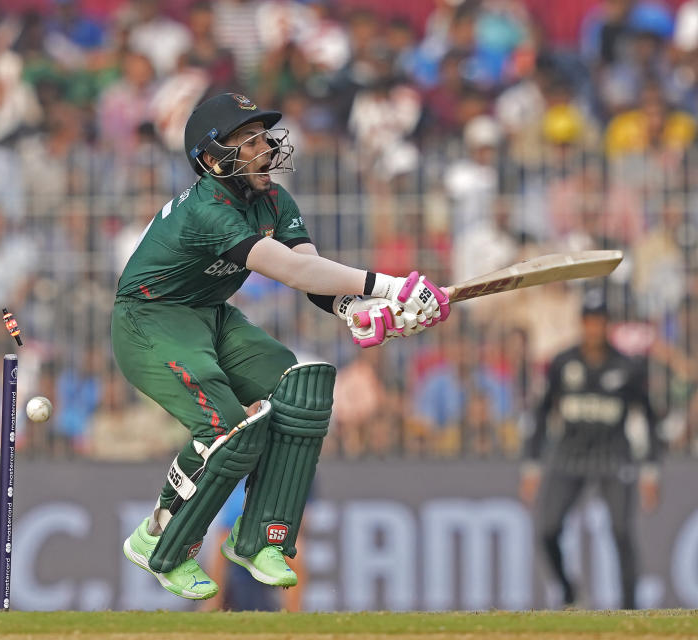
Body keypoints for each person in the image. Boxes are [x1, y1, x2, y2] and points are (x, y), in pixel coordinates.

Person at [112, 92, 450, 600]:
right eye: (246, 140)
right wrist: (386, 286)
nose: (265, 147)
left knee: (298, 390)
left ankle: (259, 537)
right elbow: (291, 270)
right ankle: (158, 538)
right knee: (224, 424)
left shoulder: (274, 200)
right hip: (150, 317)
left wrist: (356, 311)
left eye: (263, 136)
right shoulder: (208, 209)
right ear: (210, 159)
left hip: (209, 314)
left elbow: (314, 275)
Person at [519, 288, 662, 609]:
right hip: (568, 454)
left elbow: (648, 420)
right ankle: (569, 593)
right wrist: (532, 465)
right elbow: (540, 413)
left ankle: (630, 609)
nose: (594, 328)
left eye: (599, 321)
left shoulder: (628, 367)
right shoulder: (562, 362)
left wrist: (650, 470)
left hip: (613, 456)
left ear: (607, 324)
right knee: (548, 530)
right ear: (581, 323)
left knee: (622, 532)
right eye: (588, 321)